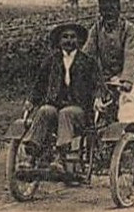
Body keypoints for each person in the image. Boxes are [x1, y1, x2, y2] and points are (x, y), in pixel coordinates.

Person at [27, 22, 98, 168]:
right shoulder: (51, 61)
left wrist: (98, 99)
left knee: (66, 113)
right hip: (56, 106)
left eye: (73, 37)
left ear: (78, 41)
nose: (69, 41)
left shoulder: (88, 62)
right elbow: (40, 84)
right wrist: (31, 101)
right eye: (65, 37)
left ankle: (60, 157)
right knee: (45, 110)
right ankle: (33, 154)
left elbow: (98, 84)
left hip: (79, 110)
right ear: (59, 41)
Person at [84, 0, 134, 123]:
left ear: (118, 10)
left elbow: (130, 56)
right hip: (105, 77)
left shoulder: (129, 29)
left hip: (128, 76)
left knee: (127, 97)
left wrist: (126, 80)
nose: (108, 14)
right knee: (89, 99)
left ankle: (129, 127)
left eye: (111, 9)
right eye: (104, 10)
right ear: (100, 12)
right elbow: (87, 55)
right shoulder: (96, 29)